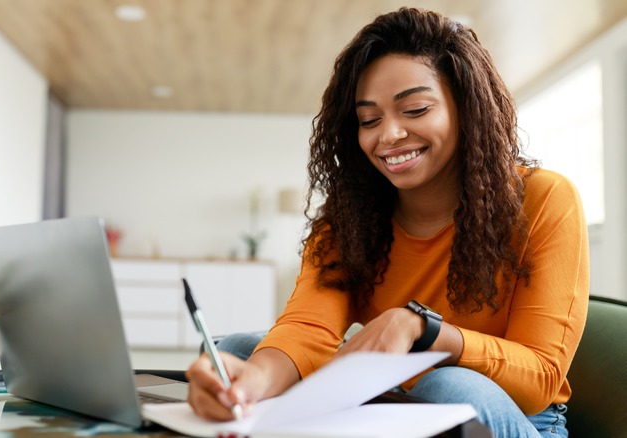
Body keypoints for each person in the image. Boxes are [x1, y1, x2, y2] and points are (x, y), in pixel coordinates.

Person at [186, 7, 588, 438]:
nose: (389, 135)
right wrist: (249, 386)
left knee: (447, 384)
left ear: (466, 107)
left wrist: (424, 329)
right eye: (369, 120)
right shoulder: (350, 216)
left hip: (515, 416)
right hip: (394, 403)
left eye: (414, 109)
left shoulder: (545, 199)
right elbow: (308, 326)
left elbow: (541, 378)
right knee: (240, 352)